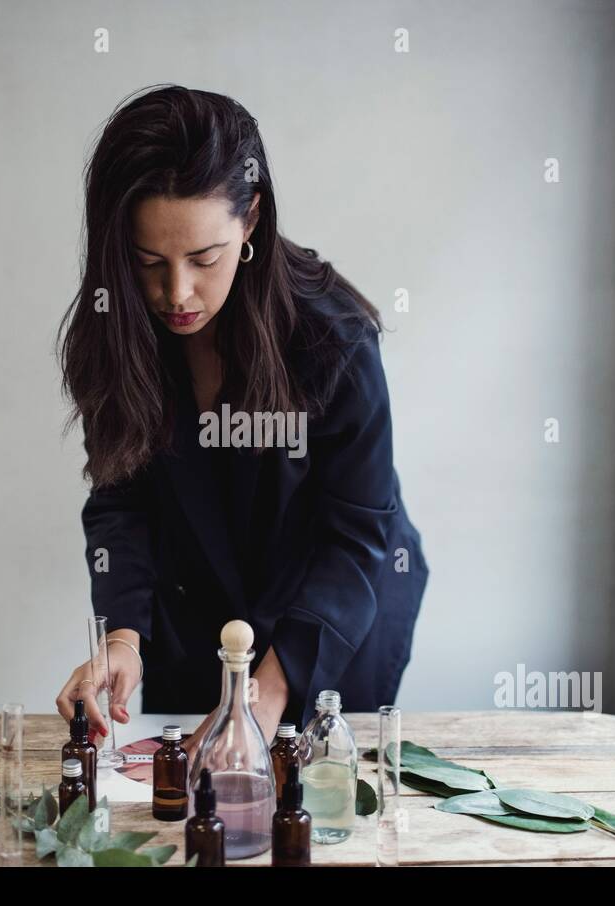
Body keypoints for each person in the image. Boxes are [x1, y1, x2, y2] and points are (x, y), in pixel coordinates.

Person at [55, 84, 429, 761]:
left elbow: (353, 539)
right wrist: (124, 638)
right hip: (198, 614)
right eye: (148, 262)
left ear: (251, 218)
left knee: (315, 787)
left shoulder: (334, 341)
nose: (176, 293)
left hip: (336, 611)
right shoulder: (117, 331)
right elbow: (121, 500)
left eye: (204, 258)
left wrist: (263, 697)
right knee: (196, 796)